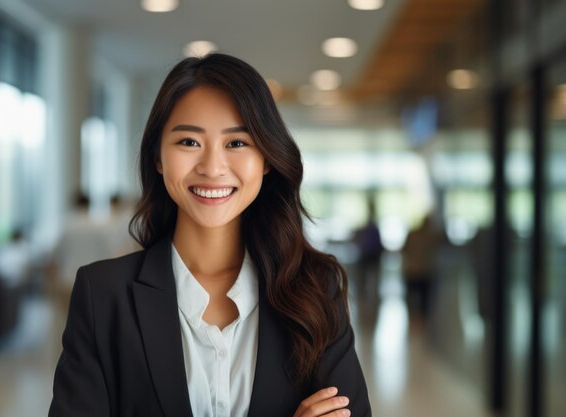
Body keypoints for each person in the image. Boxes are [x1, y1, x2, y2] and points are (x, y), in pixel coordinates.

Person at [49, 53, 370, 417]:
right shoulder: (103, 295)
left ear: (266, 159)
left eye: (237, 143)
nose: (212, 168)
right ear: (158, 156)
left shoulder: (316, 287)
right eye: (189, 142)